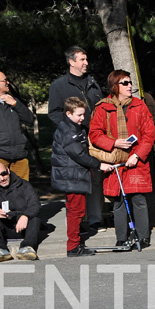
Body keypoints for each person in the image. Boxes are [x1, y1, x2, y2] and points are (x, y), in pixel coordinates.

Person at [89, 70, 155, 248]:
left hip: (136, 161)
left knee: (139, 199)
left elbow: (149, 135)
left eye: (130, 82)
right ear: (114, 86)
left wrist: (137, 155)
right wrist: (114, 142)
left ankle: (143, 237)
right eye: (125, 83)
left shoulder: (139, 105)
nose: (130, 86)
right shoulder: (103, 107)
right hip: (115, 159)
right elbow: (94, 134)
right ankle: (121, 237)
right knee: (117, 200)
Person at [47, 46, 105, 233]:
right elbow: (54, 113)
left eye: (86, 59)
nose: (86, 63)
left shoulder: (93, 83)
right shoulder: (59, 85)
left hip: (95, 137)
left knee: (95, 177)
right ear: (71, 62)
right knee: (75, 181)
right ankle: (77, 222)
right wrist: (70, 128)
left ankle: (95, 219)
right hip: (72, 139)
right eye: (82, 59)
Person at [52, 97, 113, 257]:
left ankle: (76, 242)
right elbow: (78, 154)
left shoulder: (74, 127)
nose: (82, 118)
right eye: (79, 114)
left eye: (83, 114)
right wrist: (99, 164)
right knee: (75, 211)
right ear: (68, 113)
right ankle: (73, 246)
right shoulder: (68, 131)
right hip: (71, 177)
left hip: (75, 175)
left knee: (77, 210)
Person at [0, 161, 41, 262]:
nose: (2, 178)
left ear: (8, 170)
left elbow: (35, 204)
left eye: (3, 174)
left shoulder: (24, 185)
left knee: (35, 219)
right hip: (4, 226)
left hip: (22, 225)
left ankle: (27, 247)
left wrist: (25, 216)